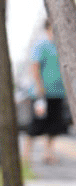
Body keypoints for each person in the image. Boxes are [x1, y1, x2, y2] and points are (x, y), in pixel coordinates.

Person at [27, 19, 70, 164]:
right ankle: (26, 155)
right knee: (36, 124)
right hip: (41, 94)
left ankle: (48, 154)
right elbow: (34, 66)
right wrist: (39, 87)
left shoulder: (61, 46)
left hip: (58, 92)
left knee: (54, 125)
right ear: (47, 28)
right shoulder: (42, 45)